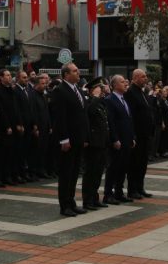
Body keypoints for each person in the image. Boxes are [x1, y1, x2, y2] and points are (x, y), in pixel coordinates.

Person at [51, 63, 90, 217]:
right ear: (66, 74)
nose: (78, 73)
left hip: (79, 138)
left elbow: (83, 115)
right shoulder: (60, 91)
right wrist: (64, 139)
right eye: (74, 71)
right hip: (68, 139)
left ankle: (72, 202)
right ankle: (64, 205)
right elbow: (60, 117)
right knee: (66, 173)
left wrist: (86, 136)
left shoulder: (78, 90)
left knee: (74, 173)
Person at [104, 75, 135, 205]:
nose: (126, 84)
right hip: (118, 140)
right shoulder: (110, 100)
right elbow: (111, 122)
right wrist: (114, 139)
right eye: (122, 82)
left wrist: (132, 137)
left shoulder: (124, 99)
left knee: (123, 167)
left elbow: (128, 120)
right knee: (114, 167)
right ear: (115, 85)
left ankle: (119, 192)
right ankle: (108, 194)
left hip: (127, 139)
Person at [125, 69, 154, 200]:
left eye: (145, 76)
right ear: (135, 77)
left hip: (145, 134)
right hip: (137, 134)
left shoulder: (142, 92)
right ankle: (132, 189)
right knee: (134, 163)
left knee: (143, 163)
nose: (145, 79)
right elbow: (132, 115)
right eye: (143, 77)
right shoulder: (131, 92)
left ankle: (140, 187)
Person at [82, 82, 109, 210]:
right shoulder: (88, 101)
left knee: (98, 172)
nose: (102, 90)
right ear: (92, 90)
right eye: (99, 88)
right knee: (90, 173)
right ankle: (87, 200)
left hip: (102, 142)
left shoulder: (99, 102)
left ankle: (95, 198)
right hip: (93, 143)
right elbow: (90, 113)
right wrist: (96, 96)